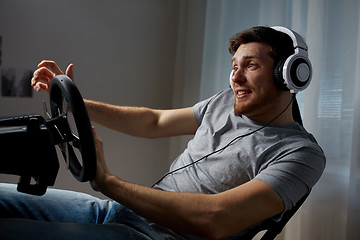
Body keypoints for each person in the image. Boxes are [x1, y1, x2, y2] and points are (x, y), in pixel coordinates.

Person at [0, 26, 325, 240]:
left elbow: (217, 219)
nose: (235, 78)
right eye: (234, 66)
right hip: (118, 213)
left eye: (250, 66)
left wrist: (108, 182)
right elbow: (153, 122)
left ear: (289, 75)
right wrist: (77, 105)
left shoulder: (301, 154)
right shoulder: (226, 101)